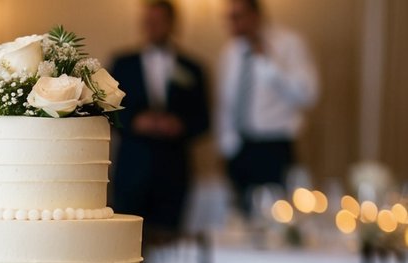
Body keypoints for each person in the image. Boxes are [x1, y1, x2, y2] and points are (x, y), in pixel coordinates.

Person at [110, 1, 209, 237]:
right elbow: (108, 113)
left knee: (168, 242)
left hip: (173, 171)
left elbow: (204, 120)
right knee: (126, 239)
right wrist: (135, 121)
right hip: (131, 169)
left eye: (159, 21)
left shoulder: (193, 68)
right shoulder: (123, 64)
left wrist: (179, 125)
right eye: (148, 21)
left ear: (173, 24)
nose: (152, 27)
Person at [216, 0, 317, 213]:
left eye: (238, 17)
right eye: (229, 18)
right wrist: (226, 145)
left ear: (255, 16)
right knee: (240, 218)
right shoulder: (230, 52)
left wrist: (269, 64)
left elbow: (308, 94)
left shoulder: (289, 44)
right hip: (239, 148)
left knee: (276, 216)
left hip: (274, 147)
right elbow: (225, 104)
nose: (232, 24)